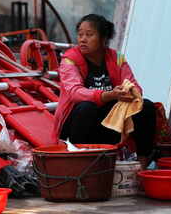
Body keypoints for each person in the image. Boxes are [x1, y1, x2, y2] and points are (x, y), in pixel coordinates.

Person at [53, 14, 156, 166]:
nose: (82, 39)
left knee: (146, 106)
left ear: (103, 38)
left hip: (110, 124)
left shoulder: (117, 58)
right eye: (80, 34)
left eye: (89, 35)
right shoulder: (70, 59)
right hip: (78, 125)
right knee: (86, 107)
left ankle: (142, 166)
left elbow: (133, 85)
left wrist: (131, 92)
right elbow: (74, 92)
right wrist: (108, 95)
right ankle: (77, 163)